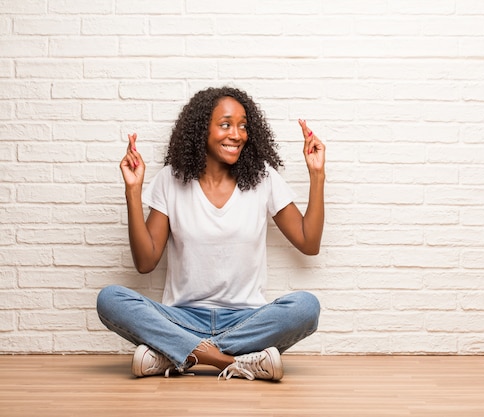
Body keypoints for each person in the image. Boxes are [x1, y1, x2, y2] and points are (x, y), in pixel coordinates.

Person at [96, 86, 325, 381]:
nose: (237, 134)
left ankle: (174, 354)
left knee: (306, 307)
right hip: (181, 318)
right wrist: (133, 191)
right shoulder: (170, 180)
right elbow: (145, 262)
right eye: (226, 124)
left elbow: (309, 242)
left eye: (243, 126)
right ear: (202, 128)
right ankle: (230, 361)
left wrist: (317, 174)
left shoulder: (263, 179)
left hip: (246, 319)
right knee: (110, 299)